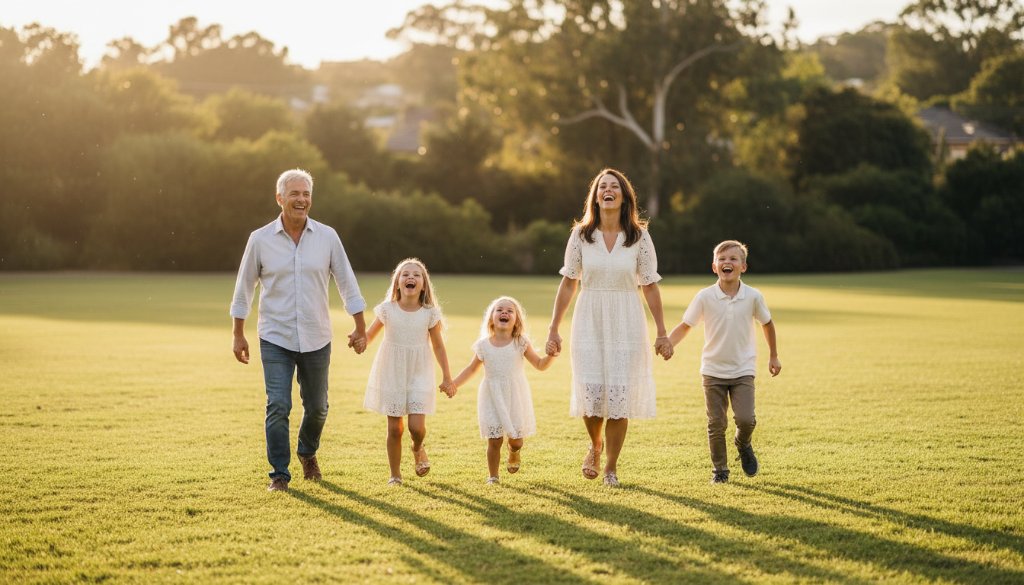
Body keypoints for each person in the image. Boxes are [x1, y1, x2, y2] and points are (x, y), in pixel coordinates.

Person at [230, 168, 367, 493]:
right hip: (275, 336)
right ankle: (279, 474)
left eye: (306, 194)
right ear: (280, 198)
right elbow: (243, 288)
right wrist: (238, 333)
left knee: (318, 406)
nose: (301, 199)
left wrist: (359, 325)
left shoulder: (327, 237)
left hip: (317, 335)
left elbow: (347, 281)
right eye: (294, 194)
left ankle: (307, 452)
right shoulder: (260, 239)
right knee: (278, 404)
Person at [545, 168, 671, 488]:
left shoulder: (639, 237)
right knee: (591, 394)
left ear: (624, 196)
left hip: (627, 320)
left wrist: (661, 331)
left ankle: (611, 468)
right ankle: (595, 444)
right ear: (596, 196)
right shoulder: (581, 235)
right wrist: (553, 328)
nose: (608, 190)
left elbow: (651, 286)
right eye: (603, 186)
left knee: (619, 396)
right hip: (589, 319)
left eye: (614, 186)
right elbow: (568, 281)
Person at [662, 240, 782, 484]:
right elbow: (686, 325)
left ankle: (743, 443)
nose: (727, 262)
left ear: (743, 267)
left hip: (743, 369)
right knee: (716, 423)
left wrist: (773, 355)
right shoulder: (705, 296)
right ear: (714, 266)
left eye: (733, 259)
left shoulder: (753, 296)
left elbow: (767, 323)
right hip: (713, 371)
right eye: (722, 259)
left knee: (746, 420)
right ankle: (720, 471)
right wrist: (669, 343)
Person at [363, 258, 453, 486]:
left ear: (424, 285)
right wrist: (358, 340)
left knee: (416, 427)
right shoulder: (387, 309)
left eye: (416, 275)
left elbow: (439, 346)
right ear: (397, 283)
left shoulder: (429, 313)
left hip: (419, 371)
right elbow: (369, 335)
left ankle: (417, 446)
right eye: (405, 274)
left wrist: (447, 377)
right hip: (392, 371)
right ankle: (395, 475)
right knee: (394, 428)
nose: (410, 277)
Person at [451, 296, 557, 485]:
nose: (504, 313)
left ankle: (514, 451)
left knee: (516, 440)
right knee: (494, 440)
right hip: (491, 395)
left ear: (516, 320)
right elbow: (471, 369)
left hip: (515, 396)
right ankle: (493, 476)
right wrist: (454, 384)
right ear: (491, 318)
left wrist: (551, 355)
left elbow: (540, 365)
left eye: (510, 310)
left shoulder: (520, 343)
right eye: (499, 309)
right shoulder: (483, 345)